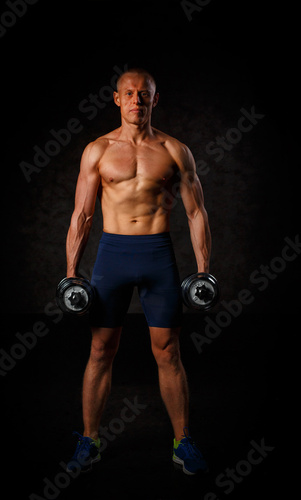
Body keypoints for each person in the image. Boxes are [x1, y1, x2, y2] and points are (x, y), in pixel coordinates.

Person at [65, 68, 211, 475]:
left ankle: (183, 442)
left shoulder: (175, 150)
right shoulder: (97, 150)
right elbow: (82, 214)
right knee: (100, 350)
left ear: (154, 99)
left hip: (157, 255)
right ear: (116, 99)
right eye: (128, 93)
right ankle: (89, 440)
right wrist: (71, 272)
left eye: (143, 94)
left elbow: (196, 212)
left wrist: (204, 271)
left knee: (168, 351)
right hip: (112, 257)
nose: (136, 100)